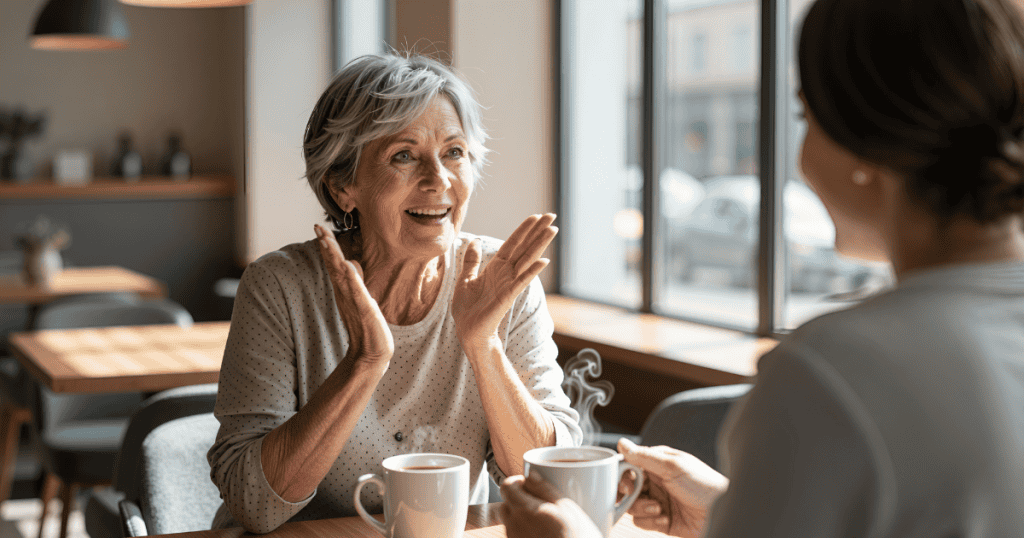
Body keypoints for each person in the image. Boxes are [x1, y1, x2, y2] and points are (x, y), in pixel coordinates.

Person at [500, 0, 1024, 535]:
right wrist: (729, 512)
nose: (799, 151)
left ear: (867, 142)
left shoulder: (831, 373)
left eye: (805, 115)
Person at [207, 53, 582, 533]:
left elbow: (550, 486)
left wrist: (484, 347)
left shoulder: (501, 281)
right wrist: (364, 361)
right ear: (344, 186)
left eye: (454, 152)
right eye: (404, 155)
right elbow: (254, 505)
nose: (438, 179)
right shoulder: (280, 286)